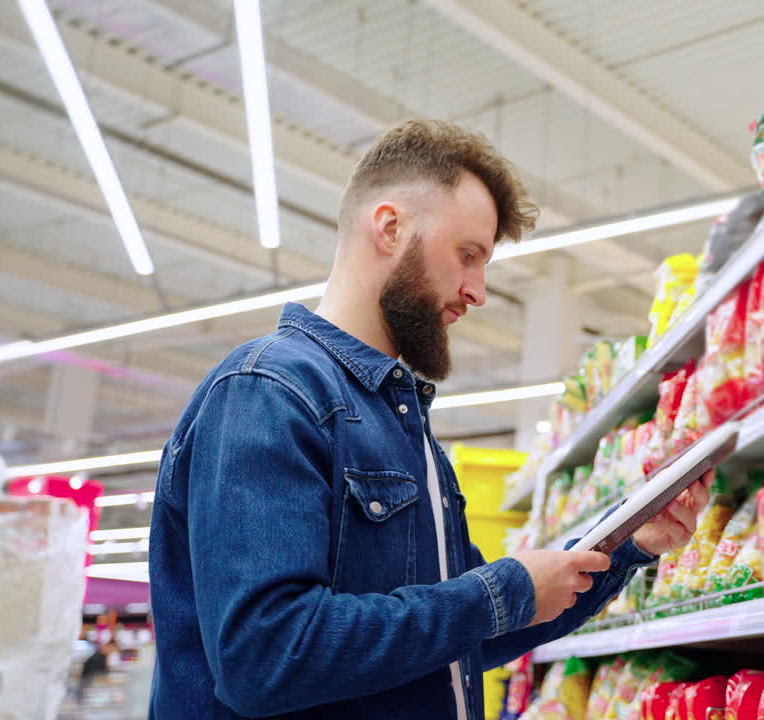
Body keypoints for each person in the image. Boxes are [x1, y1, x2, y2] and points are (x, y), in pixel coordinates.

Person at [148, 119, 711, 719]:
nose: (478, 291)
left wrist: (624, 547)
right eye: (468, 255)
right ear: (390, 228)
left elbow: (463, 633)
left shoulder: (403, 429)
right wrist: (504, 593)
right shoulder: (269, 390)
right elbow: (264, 655)